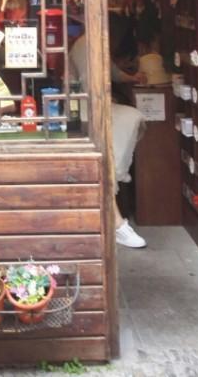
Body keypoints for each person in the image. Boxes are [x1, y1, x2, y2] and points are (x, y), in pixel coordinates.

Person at [69, 32, 148, 249]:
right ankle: (116, 219)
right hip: (84, 106)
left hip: (94, 103)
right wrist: (103, 98)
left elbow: (111, 72)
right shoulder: (86, 43)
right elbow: (88, 80)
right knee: (125, 122)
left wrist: (132, 78)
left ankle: (114, 183)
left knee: (130, 118)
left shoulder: (95, 39)